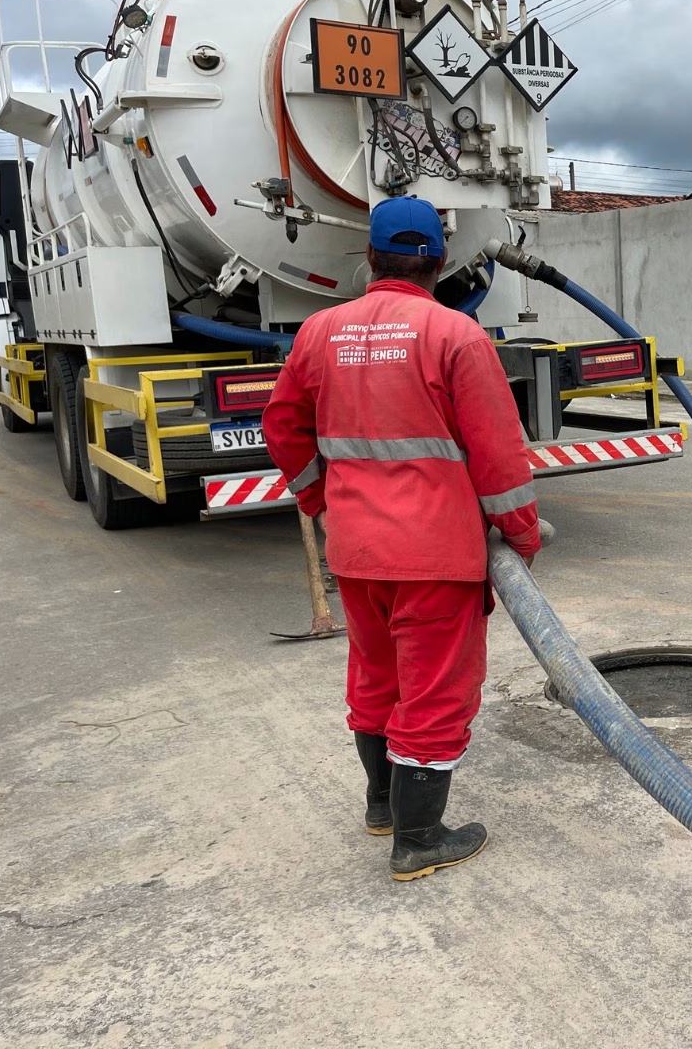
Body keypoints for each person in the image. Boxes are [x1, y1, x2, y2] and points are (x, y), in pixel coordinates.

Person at [263, 195, 542, 881]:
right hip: (435, 555)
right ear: (440, 263)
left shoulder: (320, 332)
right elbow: (500, 455)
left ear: (369, 258)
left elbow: (282, 425)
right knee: (436, 690)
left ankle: (382, 805)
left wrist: (316, 493)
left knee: (376, 675)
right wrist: (520, 535)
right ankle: (418, 839)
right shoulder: (455, 335)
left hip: (357, 551)